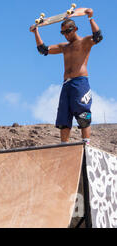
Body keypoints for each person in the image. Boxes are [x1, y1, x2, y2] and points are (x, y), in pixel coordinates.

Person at [30, 8, 103, 144]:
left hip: (80, 82)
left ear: (75, 29)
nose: (65, 35)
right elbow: (43, 50)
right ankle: (64, 147)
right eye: (63, 33)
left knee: (83, 115)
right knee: (63, 118)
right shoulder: (64, 47)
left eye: (67, 31)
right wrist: (36, 32)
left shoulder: (85, 42)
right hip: (66, 84)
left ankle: (86, 143)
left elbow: (98, 36)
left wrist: (90, 18)